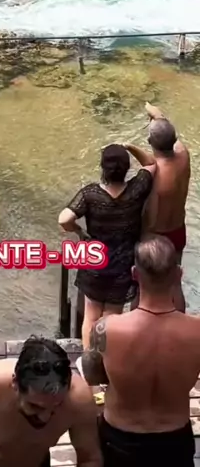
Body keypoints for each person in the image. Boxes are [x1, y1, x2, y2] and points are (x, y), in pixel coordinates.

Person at [79, 235, 199, 466]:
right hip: (174, 441)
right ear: (179, 274)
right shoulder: (197, 331)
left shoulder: (106, 328)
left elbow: (92, 375)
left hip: (120, 438)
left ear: (134, 274)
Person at [58, 143, 156, 347]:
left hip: (95, 263)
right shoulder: (136, 190)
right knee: (112, 318)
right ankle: (108, 361)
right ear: (126, 168)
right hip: (122, 265)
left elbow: (64, 219)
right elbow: (151, 163)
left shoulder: (90, 194)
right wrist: (129, 146)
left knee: (91, 317)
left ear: (103, 168)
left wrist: (79, 231)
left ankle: (88, 359)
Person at [0, 336, 101, 467]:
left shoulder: (78, 400)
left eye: (56, 406)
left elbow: (90, 459)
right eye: (35, 406)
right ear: (15, 383)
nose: (44, 417)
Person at [125, 101, 190, 311]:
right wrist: (154, 112)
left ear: (149, 141)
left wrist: (142, 237)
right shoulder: (183, 154)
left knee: (142, 286)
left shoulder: (153, 174)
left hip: (155, 235)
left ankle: (138, 323)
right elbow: (164, 132)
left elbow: (151, 216)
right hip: (178, 231)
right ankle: (179, 321)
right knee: (175, 282)